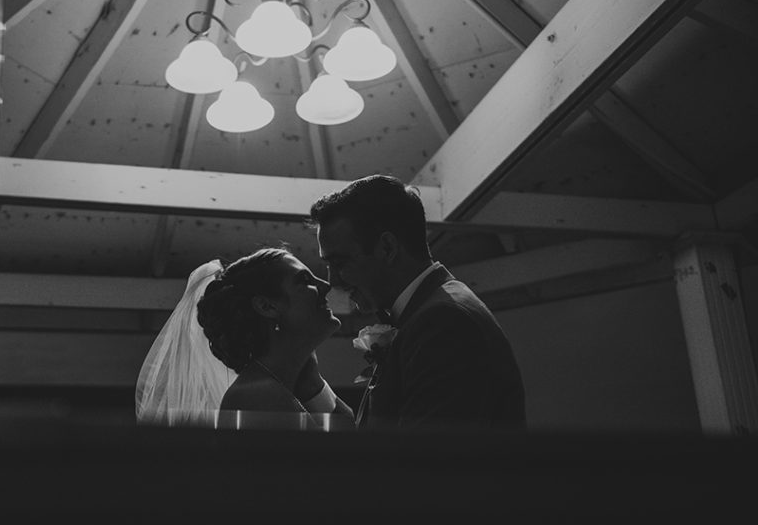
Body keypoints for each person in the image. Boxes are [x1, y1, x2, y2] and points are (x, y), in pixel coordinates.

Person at [307, 175, 525, 430]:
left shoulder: (444, 323)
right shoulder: (429, 312)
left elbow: (422, 462)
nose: (332, 280)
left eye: (340, 263)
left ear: (387, 248)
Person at [135, 247, 353, 428]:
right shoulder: (259, 397)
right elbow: (349, 469)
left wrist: (314, 386)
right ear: (266, 306)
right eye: (304, 281)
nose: (325, 286)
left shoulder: (280, 386)